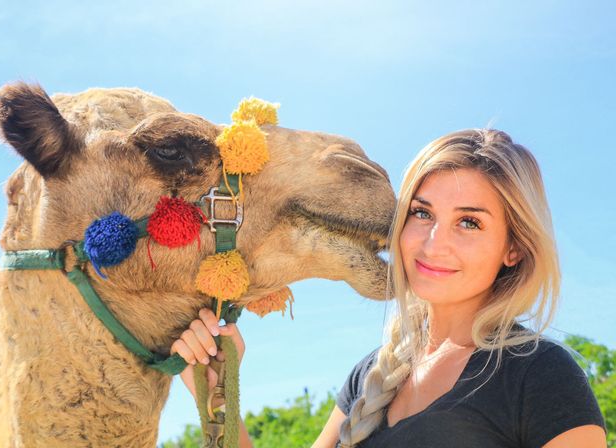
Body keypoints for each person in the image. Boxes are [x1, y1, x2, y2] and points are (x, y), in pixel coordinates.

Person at [170, 129, 607, 447]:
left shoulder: (538, 374)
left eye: (469, 222)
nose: (434, 243)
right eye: (422, 213)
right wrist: (218, 392)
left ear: (513, 248)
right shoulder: (370, 376)